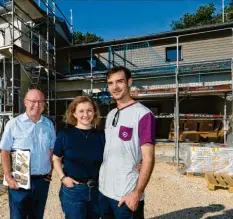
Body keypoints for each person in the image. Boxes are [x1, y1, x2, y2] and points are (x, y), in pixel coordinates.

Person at [99, 66, 156, 219]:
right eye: (110, 83)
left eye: (119, 81)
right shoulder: (110, 114)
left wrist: (137, 193)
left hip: (126, 194)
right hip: (104, 192)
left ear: (129, 82)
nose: (115, 87)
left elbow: (149, 158)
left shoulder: (143, 114)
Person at [0, 89, 56, 219]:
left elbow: (52, 150)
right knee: (17, 216)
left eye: (41, 102)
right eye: (33, 101)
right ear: (25, 102)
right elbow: (5, 151)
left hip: (42, 182)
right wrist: (8, 176)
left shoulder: (49, 125)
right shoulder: (13, 124)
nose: (37, 105)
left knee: (37, 216)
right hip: (19, 181)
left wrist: (50, 171)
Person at [52, 96, 105, 219]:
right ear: (74, 113)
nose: (85, 114)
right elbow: (56, 158)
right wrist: (63, 178)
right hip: (74, 190)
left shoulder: (101, 136)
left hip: (97, 190)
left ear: (94, 112)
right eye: (81, 111)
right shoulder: (65, 135)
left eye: (89, 110)